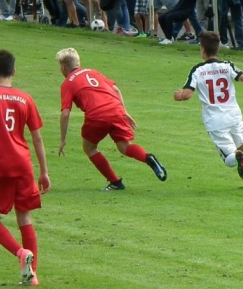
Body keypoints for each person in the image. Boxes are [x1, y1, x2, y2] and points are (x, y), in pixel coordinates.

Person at [0, 49, 48, 287]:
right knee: (24, 216)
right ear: (14, 71)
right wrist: (44, 171)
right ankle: (32, 275)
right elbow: (37, 138)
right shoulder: (26, 98)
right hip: (23, 163)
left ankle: (20, 253)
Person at [56, 47, 167, 190]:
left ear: (64, 68)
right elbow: (115, 90)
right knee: (124, 146)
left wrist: (62, 139)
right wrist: (124, 112)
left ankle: (115, 182)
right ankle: (147, 157)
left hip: (97, 116)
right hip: (116, 109)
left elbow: (65, 114)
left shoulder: (67, 84)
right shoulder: (93, 72)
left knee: (89, 148)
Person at [173, 31, 243, 189]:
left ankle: (237, 158)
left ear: (202, 49)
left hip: (215, 121)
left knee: (229, 158)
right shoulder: (227, 66)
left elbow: (187, 94)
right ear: (217, 48)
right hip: (233, 116)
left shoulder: (197, 70)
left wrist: (179, 95)